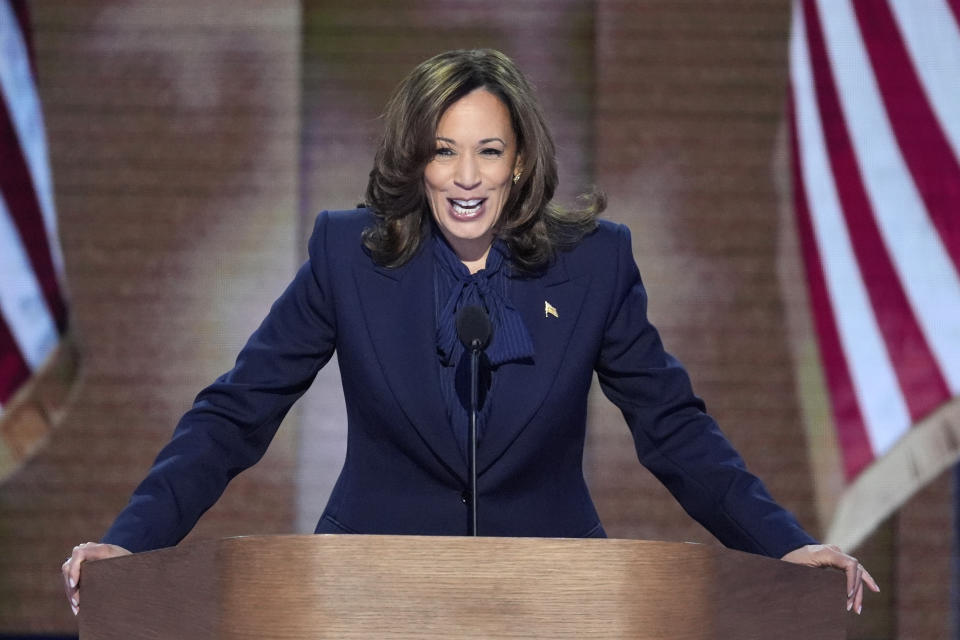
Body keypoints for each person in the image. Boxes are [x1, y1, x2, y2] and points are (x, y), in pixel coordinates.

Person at [62, 48, 878, 616]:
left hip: (555, 595)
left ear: (519, 161)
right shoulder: (348, 256)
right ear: (416, 160)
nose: (465, 177)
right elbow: (237, 412)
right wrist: (132, 544)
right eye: (444, 151)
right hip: (367, 593)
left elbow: (674, 429)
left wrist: (785, 548)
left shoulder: (593, 264)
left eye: (488, 151)